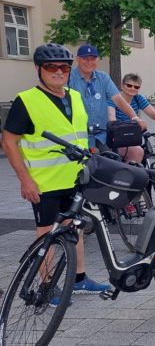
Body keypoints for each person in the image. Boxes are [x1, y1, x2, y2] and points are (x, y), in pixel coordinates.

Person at [3, 43, 111, 303]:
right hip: (44, 183)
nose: (59, 71)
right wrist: (25, 180)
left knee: (74, 229)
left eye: (64, 66)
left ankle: (79, 279)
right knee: (47, 235)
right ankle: (48, 286)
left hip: (75, 179)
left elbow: (79, 135)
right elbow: (8, 141)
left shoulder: (74, 96)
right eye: (51, 67)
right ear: (39, 69)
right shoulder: (26, 100)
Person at [68, 44, 145, 150]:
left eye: (93, 59)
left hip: (101, 135)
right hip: (79, 136)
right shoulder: (68, 78)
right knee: (86, 164)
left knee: (112, 161)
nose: (89, 62)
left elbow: (118, 99)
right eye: (85, 59)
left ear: (98, 60)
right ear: (77, 59)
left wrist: (135, 117)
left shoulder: (103, 78)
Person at [107, 73, 155, 164]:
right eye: (129, 85)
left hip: (132, 136)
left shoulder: (138, 98)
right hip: (117, 138)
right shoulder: (115, 98)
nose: (132, 88)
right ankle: (128, 175)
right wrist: (116, 131)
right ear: (122, 86)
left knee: (143, 150)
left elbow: (153, 113)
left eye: (136, 87)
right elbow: (111, 118)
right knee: (137, 152)